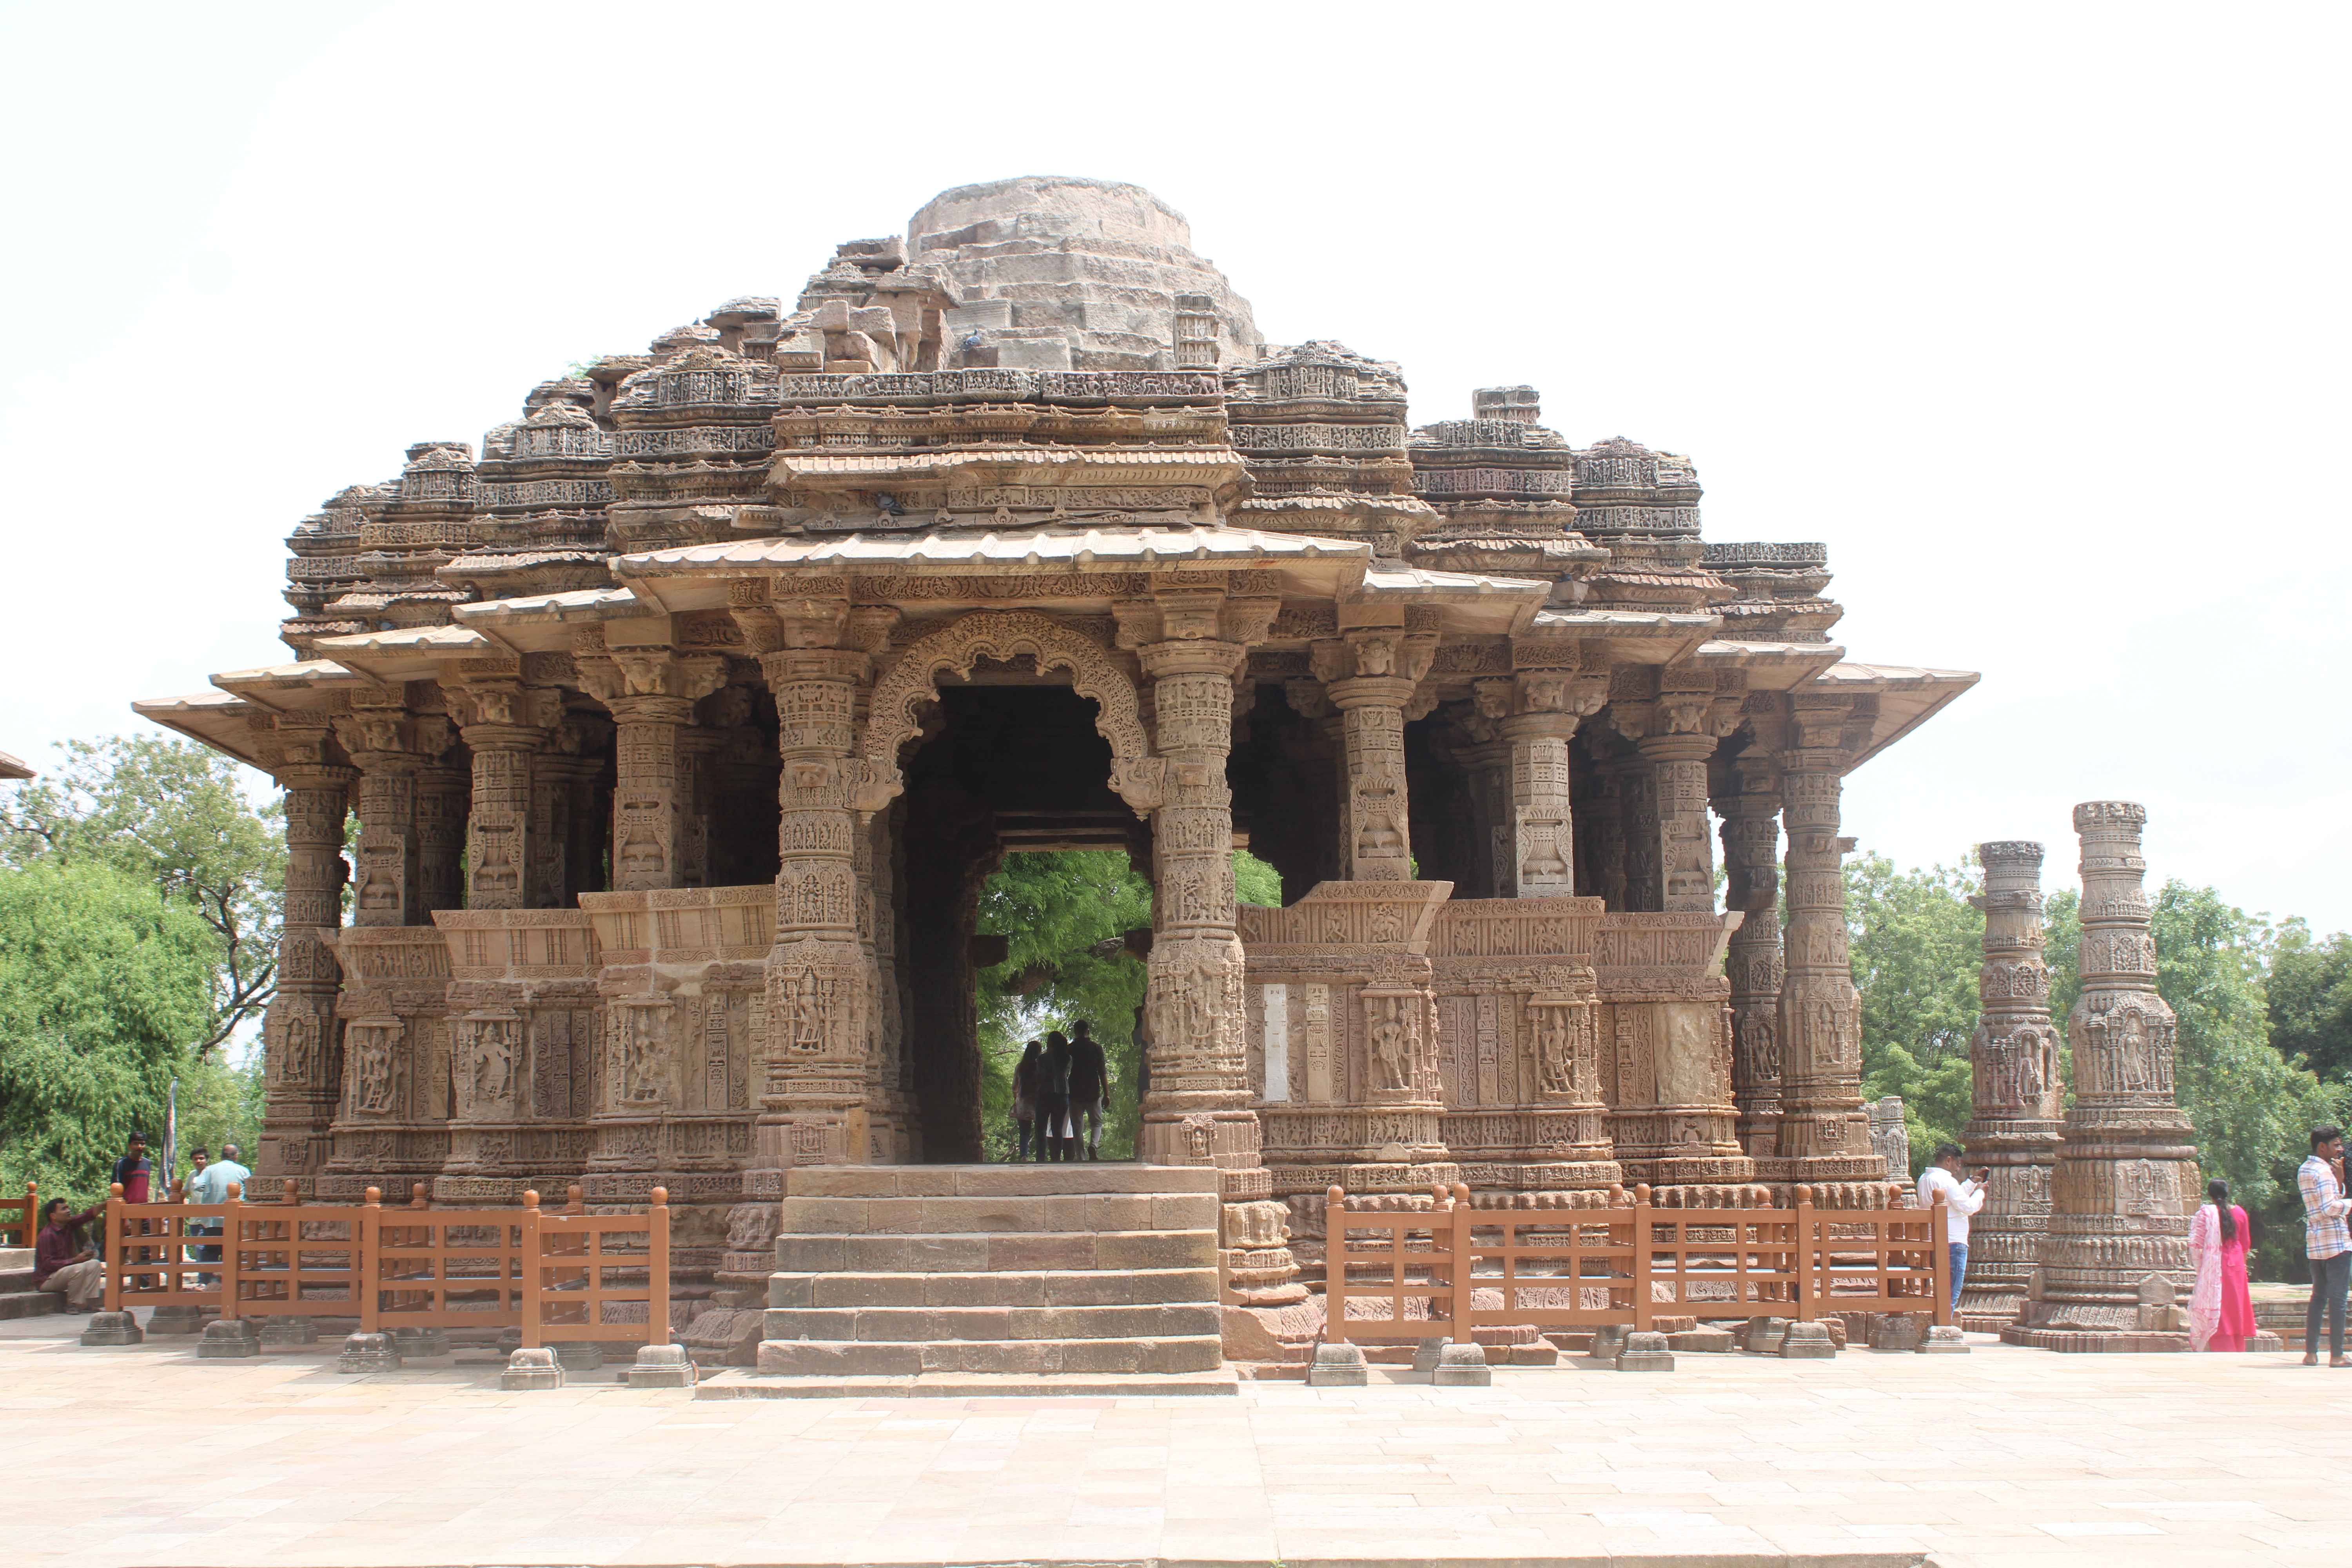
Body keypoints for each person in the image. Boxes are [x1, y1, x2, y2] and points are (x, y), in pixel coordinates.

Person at [2298, 1124, 2350, 1366]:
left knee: (2318, 1296)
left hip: (2316, 1243)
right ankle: (2337, 1355)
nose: (2340, 1149)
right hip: (2336, 1242)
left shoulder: (2306, 1169)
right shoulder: (2323, 1172)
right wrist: (2349, 1202)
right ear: (2323, 1147)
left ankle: (2311, 1353)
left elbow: (2321, 1205)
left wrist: (2340, 1183)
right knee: (2338, 1300)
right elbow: (2330, 1208)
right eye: (2336, 1145)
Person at [1916, 1142, 1988, 1313]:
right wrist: (1980, 1192)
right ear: (1949, 1161)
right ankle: (1945, 1324)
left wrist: (1971, 1183)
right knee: (1951, 1291)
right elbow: (1968, 1207)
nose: (1958, 1169)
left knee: (1940, 1288)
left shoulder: (1924, 1179)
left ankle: (1939, 1321)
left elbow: (1951, 1201)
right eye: (1957, 1164)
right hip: (1953, 1241)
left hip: (1934, 1239)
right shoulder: (1946, 1180)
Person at [2189, 1176, 2255, 1353]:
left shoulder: (2206, 1214)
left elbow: (2196, 1244)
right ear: (2228, 1193)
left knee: (2219, 1309)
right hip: (2237, 1266)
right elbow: (2245, 1246)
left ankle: (2222, 1350)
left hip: (2214, 1265)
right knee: (2235, 1309)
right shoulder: (2240, 1212)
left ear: (2209, 1194)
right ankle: (2238, 1349)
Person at [33, 1196, 107, 1312]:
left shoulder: (69, 1226)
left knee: (94, 1264)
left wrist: (106, 1204)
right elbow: (48, 1264)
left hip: (65, 1272)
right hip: (47, 1280)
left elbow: (87, 1216)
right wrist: (76, 1260)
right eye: (63, 1209)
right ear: (53, 1216)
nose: (68, 1211)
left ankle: (83, 1303)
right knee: (79, 1268)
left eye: (67, 1208)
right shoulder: (47, 1235)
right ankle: (71, 1305)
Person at [1068, 1020, 1108, 1161]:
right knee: (1096, 1123)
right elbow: (1102, 1072)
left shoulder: (1070, 1049)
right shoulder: (1096, 1048)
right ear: (1088, 1032)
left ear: (1075, 1032)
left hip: (1074, 1092)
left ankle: (1081, 1158)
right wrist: (1107, 1094)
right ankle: (1093, 1145)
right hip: (1093, 1091)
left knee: (1077, 1127)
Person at [1036, 1032, 1074, 1163]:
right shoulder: (1068, 1059)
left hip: (1045, 1094)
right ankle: (1056, 1158)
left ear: (1050, 1043)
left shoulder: (1043, 1059)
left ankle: (1041, 1157)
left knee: (1041, 1127)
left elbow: (1040, 1076)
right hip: (1063, 1095)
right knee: (1057, 1127)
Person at [1011, 1040, 1042, 1161]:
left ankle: (1024, 1156)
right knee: (1041, 1131)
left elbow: (1014, 1087)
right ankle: (1041, 1157)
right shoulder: (1040, 1067)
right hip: (1038, 1102)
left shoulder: (1020, 1067)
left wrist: (1017, 1099)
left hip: (1022, 1102)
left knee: (1024, 1132)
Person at [111, 1132, 152, 1204]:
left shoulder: (147, 1163)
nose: (139, 1147)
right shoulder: (121, 1164)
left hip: (144, 1209)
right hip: (126, 1210)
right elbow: (115, 1191)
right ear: (129, 1146)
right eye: (136, 1144)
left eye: (142, 1144)